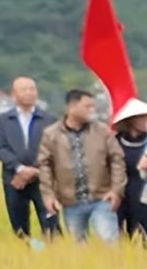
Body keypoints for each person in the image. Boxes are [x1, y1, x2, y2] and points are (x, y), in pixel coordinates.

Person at [36, 89, 126, 243]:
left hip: (101, 198)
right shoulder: (51, 134)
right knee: (78, 248)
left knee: (109, 243)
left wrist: (116, 190)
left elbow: (117, 160)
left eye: (93, 106)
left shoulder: (102, 131)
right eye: (87, 106)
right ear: (72, 107)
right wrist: (48, 195)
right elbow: (45, 167)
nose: (92, 110)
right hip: (70, 201)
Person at [0, 76, 57, 239]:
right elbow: (0, 148)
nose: (29, 93)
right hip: (14, 180)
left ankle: (51, 256)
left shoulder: (49, 119)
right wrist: (20, 169)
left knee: (50, 223)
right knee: (20, 227)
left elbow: (53, 149)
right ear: (13, 95)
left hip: (43, 179)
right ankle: (31, 253)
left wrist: (34, 171)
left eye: (32, 89)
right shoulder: (4, 120)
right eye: (24, 89)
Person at [110, 97, 147, 240]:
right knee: (122, 233)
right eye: (142, 118)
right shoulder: (115, 142)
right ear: (131, 120)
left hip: (143, 191)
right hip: (121, 192)